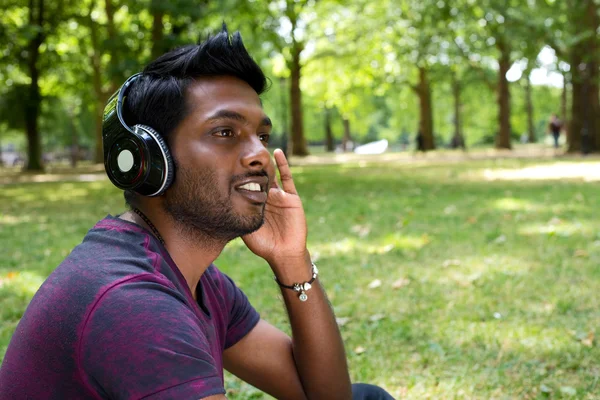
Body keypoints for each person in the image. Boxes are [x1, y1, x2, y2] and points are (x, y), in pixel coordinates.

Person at [0, 26, 394, 400]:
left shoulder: (198, 281)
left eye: (262, 136)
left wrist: (293, 261)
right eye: (225, 132)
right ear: (149, 159)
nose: (260, 154)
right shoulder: (133, 304)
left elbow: (326, 395)